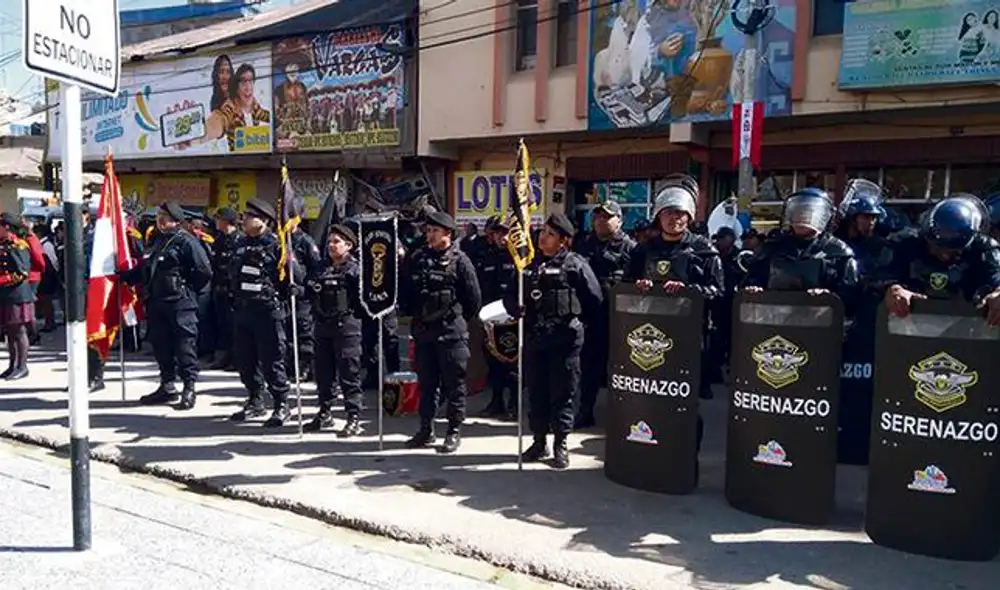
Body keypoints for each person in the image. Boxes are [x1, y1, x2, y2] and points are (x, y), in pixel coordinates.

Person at [505, 213, 603, 469]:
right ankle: (539, 442)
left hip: (564, 340)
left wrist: (579, 325)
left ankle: (561, 443)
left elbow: (594, 300)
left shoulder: (575, 264)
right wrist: (516, 308)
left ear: (563, 240)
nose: (543, 237)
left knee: (562, 393)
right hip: (535, 339)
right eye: (542, 232)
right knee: (536, 392)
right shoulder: (528, 264)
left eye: (550, 234)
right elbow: (509, 295)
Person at [626, 174, 724, 400]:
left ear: (689, 216)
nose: (674, 218)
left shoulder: (703, 250)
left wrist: (688, 290)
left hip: (689, 331)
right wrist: (638, 286)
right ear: (658, 216)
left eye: (679, 213)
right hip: (650, 330)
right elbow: (626, 286)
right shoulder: (643, 250)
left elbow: (717, 291)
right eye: (668, 212)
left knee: (686, 393)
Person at [400, 211, 482, 453]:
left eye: (435, 231)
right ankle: (426, 430)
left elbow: (473, 301)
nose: (430, 235)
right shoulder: (417, 258)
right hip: (425, 333)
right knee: (427, 385)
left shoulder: (460, 261)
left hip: (451, 333)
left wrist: (455, 319)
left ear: (448, 233)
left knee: (454, 385)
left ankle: (453, 431)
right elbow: (407, 290)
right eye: (428, 231)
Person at [122, 201, 213, 410]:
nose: (160, 220)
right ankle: (167, 386)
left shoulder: (186, 242)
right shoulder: (157, 240)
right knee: (161, 346)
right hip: (157, 302)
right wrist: (125, 276)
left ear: (176, 221)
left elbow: (203, 271)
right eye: (159, 216)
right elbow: (147, 268)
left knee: (184, 347)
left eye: (165, 217)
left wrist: (187, 289)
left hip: (180, 303)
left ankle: (189, 388)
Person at [228, 198, 304, 428]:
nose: (244, 220)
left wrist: (293, 286)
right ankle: (255, 400)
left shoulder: (277, 245)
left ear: (263, 220)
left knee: (272, 360)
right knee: (245, 360)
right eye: (244, 215)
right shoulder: (240, 243)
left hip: (267, 311)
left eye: (249, 216)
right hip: (243, 310)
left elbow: (297, 276)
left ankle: (282, 404)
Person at [833, 178, 889, 465]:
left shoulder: (882, 247)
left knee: (863, 388)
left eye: (874, 217)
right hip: (835, 323)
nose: (870, 222)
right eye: (865, 217)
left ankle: (860, 445)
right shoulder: (835, 245)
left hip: (867, 327)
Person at [880, 194, 1000, 325]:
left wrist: (998, 293)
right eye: (937, 248)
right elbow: (881, 274)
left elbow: (996, 274)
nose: (945, 256)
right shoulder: (904, 244)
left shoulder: (984, 250)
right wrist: (892, 288)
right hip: (909, 326)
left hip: (967, 326)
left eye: (954, 251)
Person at [573, 200, 635, 429]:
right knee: (589, 367)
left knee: (623, 368)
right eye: (597, 216)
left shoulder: (631, 248)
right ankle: (585, 411)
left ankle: (626, 416)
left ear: (619, 221)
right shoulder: (583, 245)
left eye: (607, 217)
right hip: (591, 317)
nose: (600, 221)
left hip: (620, 318)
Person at [305, 224, 364, 436]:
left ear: (348, 245)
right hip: (322, 325)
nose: (331, 245)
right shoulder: (321, 267)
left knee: (349, 373)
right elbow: (309, 289)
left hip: (346, 326)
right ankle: (324, 412)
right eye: (329, 241)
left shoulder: (355, 270)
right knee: (323, 372)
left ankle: (353, 416)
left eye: (336, 241)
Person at [476, 215, 518, 419]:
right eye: (499, 233)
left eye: (506, 233)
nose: (503, 237)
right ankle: (496, 401)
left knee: (513, 364)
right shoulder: (486, 256)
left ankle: (514, 404)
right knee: (493, 364)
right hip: (490, 319)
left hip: (511, 319)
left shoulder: (519, 258)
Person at [0, 215, 34, 380]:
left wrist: (2, 280)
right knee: (9, 332)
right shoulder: (5, 244)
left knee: (19, 332)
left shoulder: (19, 245)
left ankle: (22, 366)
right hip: (6, 294)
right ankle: (12, 365)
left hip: (18, 294)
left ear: (6, 227)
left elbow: (22, 272)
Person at [286, 225, 322, 382]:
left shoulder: (305, 241)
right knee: (288, 331)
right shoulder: (280, 240)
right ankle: (291, 366)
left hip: (302, 295)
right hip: (286, 294)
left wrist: (305, 288)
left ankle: (306, 366)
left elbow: (316, 268)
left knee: (304, 331)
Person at [208, 207, 241, 370]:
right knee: (222, 326)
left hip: (233, 291)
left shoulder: (239, 240)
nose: (216, 222)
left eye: (219, 219)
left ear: (227, 221)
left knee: (234, 327)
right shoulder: (219, 239)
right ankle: (224, 357)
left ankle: (236, 359)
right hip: (219, 289)